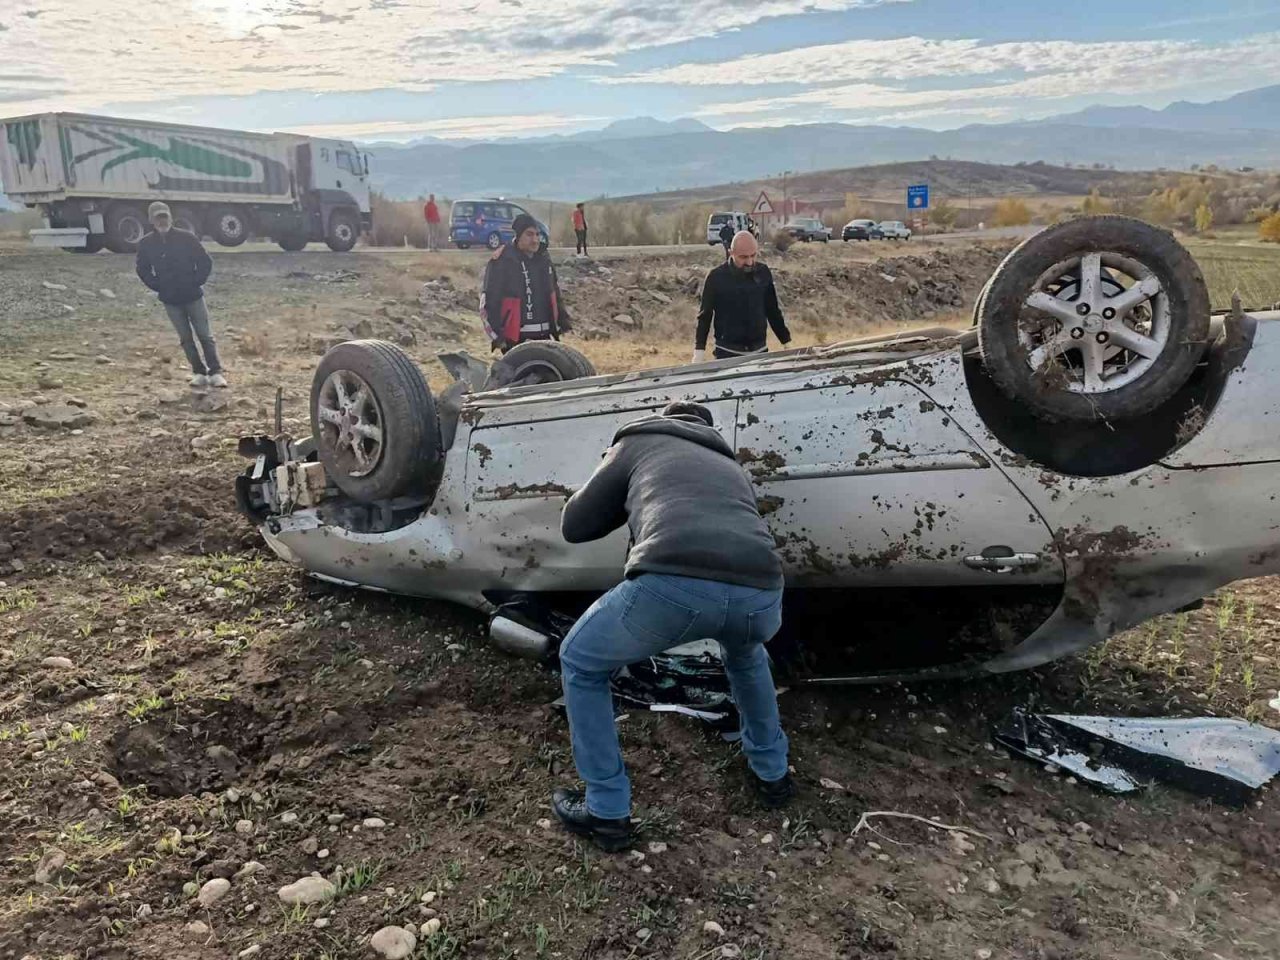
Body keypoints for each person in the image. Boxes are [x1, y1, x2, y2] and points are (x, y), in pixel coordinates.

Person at [552, 401, 793, 851]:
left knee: (580, 659)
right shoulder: (730, 465)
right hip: (762, 593)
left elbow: (575, 525)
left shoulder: (639, 439)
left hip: (673, 586)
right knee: (746, 656)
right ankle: (774, 774)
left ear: (667, 418)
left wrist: (621, 488)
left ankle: (606, 811)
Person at [135, 201, 226, 388]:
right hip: (170, 300)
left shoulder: (187, 238)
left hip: (193, 296)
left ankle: (216, 372)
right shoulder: (146, 244)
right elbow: (142, 269)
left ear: (170, 217)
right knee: (185, 338)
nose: (162, 221)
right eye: (158, 218)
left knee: (205, 335)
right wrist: (158, 285)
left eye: (165, 217)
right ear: (151, 220)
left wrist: (196, 281)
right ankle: (198, 372)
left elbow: (205, 261)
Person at [693, 231, 791, 363]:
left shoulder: (763, 273)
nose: (749, 262)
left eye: (753, 255)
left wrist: (786, 342)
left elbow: (772, 310)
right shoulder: (716, 278)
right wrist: (699, 351)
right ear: (731, 253)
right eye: (743, 257)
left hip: (760, 352)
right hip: (727, 354)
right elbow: (705, 316)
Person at [480, 213, 571, 353]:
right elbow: (489, 300)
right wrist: (497, 336)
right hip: (515, 340)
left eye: (537, 234)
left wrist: (563, 320)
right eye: (529, 234)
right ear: (518, 235)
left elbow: (554, 292)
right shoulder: (503, 260)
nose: (535, 240)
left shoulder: (544, 258)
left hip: (545, 336)